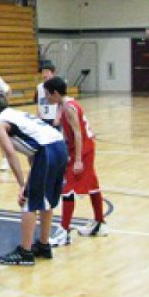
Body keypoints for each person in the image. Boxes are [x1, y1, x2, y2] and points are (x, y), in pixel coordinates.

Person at [0, 94, 67, 266]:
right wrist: (28, 182)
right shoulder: (16, 113)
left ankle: (25, 251)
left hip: (47, 150)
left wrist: (23, 185)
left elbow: (11, 154)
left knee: (29, 202)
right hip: (59, 146)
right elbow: (32, 153)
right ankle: (44, 245)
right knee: (46, 200)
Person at [43, 77, 108, 245]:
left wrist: (78, 159)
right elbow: (66, 129)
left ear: (55, 93)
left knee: (68, 188)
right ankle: (100, 223)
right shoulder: (66, 104)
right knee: (92, 185)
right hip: (84, 148)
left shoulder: (69, 108)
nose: (46, 98)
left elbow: (78, 134)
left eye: (47, 94)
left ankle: (64, 231)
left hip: (83, 150)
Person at [36, 63, 59, 128]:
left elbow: (61, 103)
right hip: (43, 118)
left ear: (52, 73)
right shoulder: (39, 86)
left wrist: (58, 117)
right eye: (43, 72)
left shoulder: (57, 85)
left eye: (47, 72)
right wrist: (38, 113)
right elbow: (39, 102)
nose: (45, 74)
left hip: (54, 118)